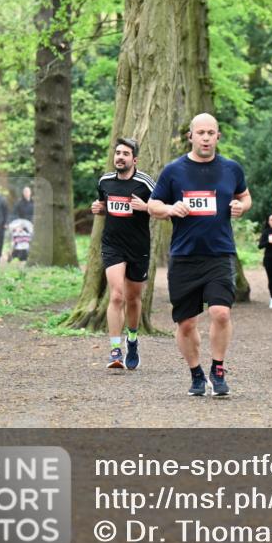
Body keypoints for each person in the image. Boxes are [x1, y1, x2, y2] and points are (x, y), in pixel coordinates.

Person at [148, 114, 252, 398]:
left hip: (220, 253)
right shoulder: (173, 171)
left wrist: (241, 206)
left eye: (211, 132)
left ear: (218, 136)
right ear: (190, 136)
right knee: (186, 323)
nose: (206, 137)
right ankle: (196, 374)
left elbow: (245, 196)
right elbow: (152, 205)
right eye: (200, 133)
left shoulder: (231, 169)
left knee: (220, 312)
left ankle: (218, 370)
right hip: (184, 256)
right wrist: (170, 209)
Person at [90, 138, 155, 370]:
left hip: (138, 248)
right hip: (113, 245)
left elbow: (161, 208)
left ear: (134, 159)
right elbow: (102, 205)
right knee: (116, 295)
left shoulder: (145, 183)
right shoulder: (105, 181)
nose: (120, 157)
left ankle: (133, 339)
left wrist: (146, 207)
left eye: (125, 154)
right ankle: (115, 351)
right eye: (117, 153)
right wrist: (98, 209)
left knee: (133, 299)